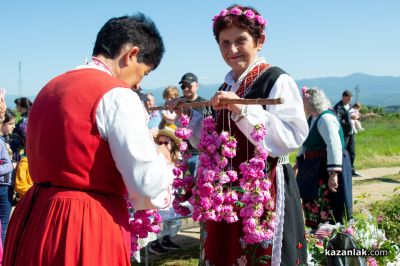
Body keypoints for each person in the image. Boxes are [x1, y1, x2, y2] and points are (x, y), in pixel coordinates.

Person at [3, 14, 174, 266]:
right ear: (131, 55)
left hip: (35, 216)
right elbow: (147, 185)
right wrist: (162, 159)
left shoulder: (49, 88)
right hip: (84, 221)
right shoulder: (117, 95)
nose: (138, 83)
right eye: (144, 72)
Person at [169, 5, 309, 265]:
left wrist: (242, 108)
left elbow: (293, 135)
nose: (232, 50)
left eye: (240, 41)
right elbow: (211, 140)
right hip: (225, 194)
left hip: (265, 189)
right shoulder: (227, 85)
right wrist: (187, 114)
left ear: (260, 41)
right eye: (225, 43)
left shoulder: (276, 80)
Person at [297, 87, 353, 229]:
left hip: (326, 167)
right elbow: (306, 144)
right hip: (315, 167)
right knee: (315, 201)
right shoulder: (312, 119)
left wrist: (333, 174)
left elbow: (334, 145)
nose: (302, 104)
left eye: (304, 101)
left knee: (329, 204)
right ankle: (319, 237)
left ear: (312, 102)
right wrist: (297, 164)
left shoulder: (326, 118)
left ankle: (332, 237)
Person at [149, 127, 182, 254]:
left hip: (171, 194)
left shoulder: (176, 160)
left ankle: (166, 240)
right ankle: (154, 243)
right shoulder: (156, 158)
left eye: (166, 143)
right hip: (159, 194)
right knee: (158, 219)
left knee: (171, 217)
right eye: (160, 143)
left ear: (172, 144)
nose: (162, 145)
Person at [178, 72, 209, 176]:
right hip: (182, 154)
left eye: (189, 86)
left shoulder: (205, 105)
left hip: (198, 153)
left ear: (197, 86)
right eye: (183, 87)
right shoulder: (178, 104)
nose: (186, 89)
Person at [334, 90, 362, 177]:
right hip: (343, 133)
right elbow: (337, 120)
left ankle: (351, 169)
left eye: (350, 99)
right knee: (343, 152)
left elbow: (357, 115)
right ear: (343, 97)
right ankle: (341, 170)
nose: (349, 100)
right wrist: (348, 122)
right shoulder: (338, 107)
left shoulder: (350, 106)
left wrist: (357, 117)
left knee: (352, 152)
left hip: (351, 133)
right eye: (348, 98)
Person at [0, 109, 16, 244]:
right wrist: (12, 164)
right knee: (4, 225)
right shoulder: (1, 142)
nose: (13, 126)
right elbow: (8, 165)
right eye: (10, 123)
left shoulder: (5, 140)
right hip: (4, 186)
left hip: (5, 185)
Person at [10, 97, 32, 162]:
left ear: (22, 107)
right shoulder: (28, 117)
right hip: (23, 150)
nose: (16, 107)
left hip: (21, 151)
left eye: (17, 105)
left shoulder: (25, 120)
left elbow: (25, 136)